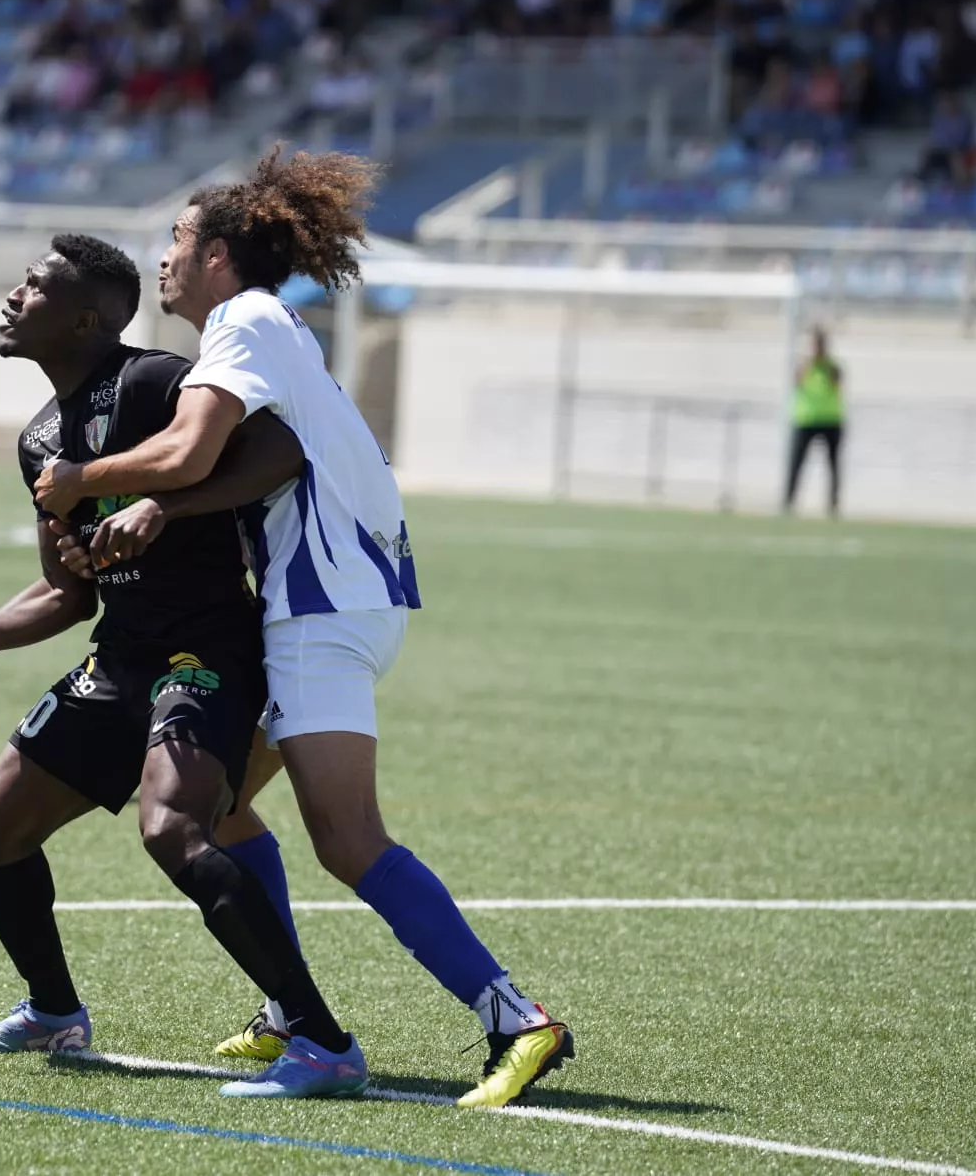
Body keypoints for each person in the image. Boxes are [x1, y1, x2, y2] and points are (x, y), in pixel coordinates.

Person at [34, 149, 572, 1110]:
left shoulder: (244, 321)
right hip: (330, 602)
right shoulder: (266, 331)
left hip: (322, 609)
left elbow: (189, 448)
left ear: (220, 255)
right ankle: (291, 1012)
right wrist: (160, 507)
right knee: (218, 807)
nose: (164, 257)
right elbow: (268, 456)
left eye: (178, 239)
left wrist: (87, 480)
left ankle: (515, 1018)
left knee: (347, 837)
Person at [0, 235, 369, 1096]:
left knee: (171, 827)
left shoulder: (154, 381)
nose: (14, 296)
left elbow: (280, 453)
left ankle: (323, 1043)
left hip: (207, 649)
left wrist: (162, 506)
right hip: (120, 657)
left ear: (86, 320)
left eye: (36, 286)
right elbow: (65, 596)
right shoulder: (39, 439)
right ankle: (53, 1011)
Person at [785, 327, 846, 516]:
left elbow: (837, 384)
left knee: (833, 465)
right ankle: (789, 502)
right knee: (796, 463)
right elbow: (796, 382)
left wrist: (824, 364)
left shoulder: (832, 367)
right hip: (806, 419)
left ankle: (832, 505)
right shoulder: (804, 366)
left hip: (830, 420)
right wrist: (808, 363)